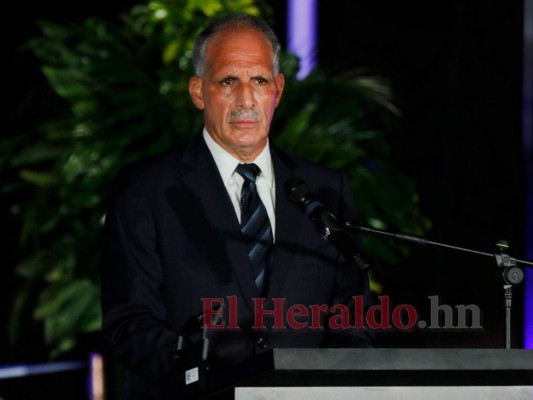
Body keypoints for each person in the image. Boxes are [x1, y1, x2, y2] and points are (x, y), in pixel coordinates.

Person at [101, 13, 373, 399]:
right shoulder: (145, 190)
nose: (246, 99)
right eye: (229, 81)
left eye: (259, 81)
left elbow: (352, 315)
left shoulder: (325, 190)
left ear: (277, 90)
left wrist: (329, 384)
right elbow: (130, 322)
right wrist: (206, 376)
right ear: (198, 91)